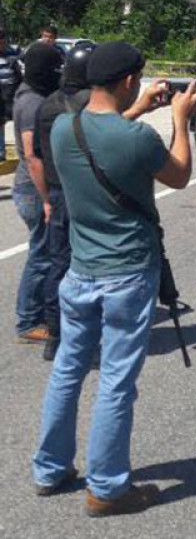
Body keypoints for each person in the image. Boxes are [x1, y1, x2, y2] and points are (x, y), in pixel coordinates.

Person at [32, 41, 196, 516]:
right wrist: (180, 120)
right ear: (128, 81)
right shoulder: (138, 141)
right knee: (116, 381)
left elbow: (100, 141)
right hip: (127, 275)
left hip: (80, 272)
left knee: (68, 370)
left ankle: (49, 468)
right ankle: (107, 488)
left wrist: (140, 108)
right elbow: (182, 174)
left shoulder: (66, 128)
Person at [31, 43, 96, 360]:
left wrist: (45, 199)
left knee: (59, 265)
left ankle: (54, 336)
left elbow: (37, 157)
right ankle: (85, 338)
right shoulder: (91, 105)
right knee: (90, 267)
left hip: (56, 193)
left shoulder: (47, 105)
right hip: (84, 194)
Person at [12, 43, 63, 344]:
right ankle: (29, 320)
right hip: (33, 189)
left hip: (34, 187)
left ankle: (44, 311)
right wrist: (46, 200)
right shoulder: (31, 103)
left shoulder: (31, 94)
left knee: (47, 252)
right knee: (42, 255)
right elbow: (32, 157)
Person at [0, 27, 21, 161]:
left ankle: (21, 149)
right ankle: (1, 151)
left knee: (17, 120)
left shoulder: (12, 54)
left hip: (11, 91)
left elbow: (18, 74)